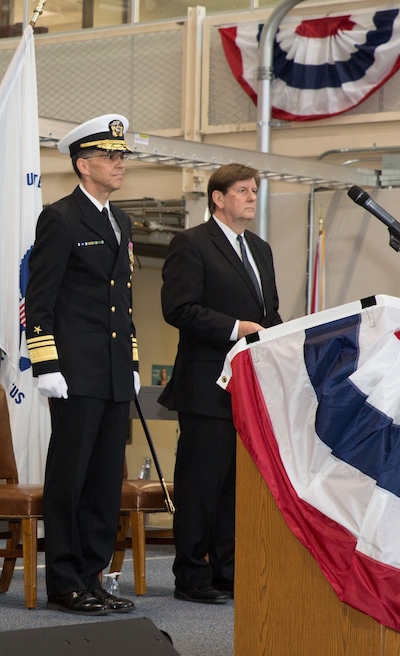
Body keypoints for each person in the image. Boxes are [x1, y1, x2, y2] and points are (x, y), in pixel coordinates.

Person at [24, 114, 139, 616]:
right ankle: (65, 581)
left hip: (112, 371)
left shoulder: (122, 220)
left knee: (103, 478)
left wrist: (131, 360)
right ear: (82, 164)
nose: (119, 164)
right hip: (73, 370)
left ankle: (93, 576)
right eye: (110, 157)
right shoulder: (62, 217)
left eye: (122, 156)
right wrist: (45, 363)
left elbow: (124, 300)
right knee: (70, 477)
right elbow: (40, 297)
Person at [159, 163, 282, 604]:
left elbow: (270, 315)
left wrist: (283, 336)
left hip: (248, 387)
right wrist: (236, 327)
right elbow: (179, 308)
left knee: (235, 486)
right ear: (218, 198)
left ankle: (227, 570)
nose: (251, 197)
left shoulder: (261, 250)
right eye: (243, 190)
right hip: (206, 384)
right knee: (200, 485)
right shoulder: (191, 244)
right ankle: (191, 575)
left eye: (254, 190)